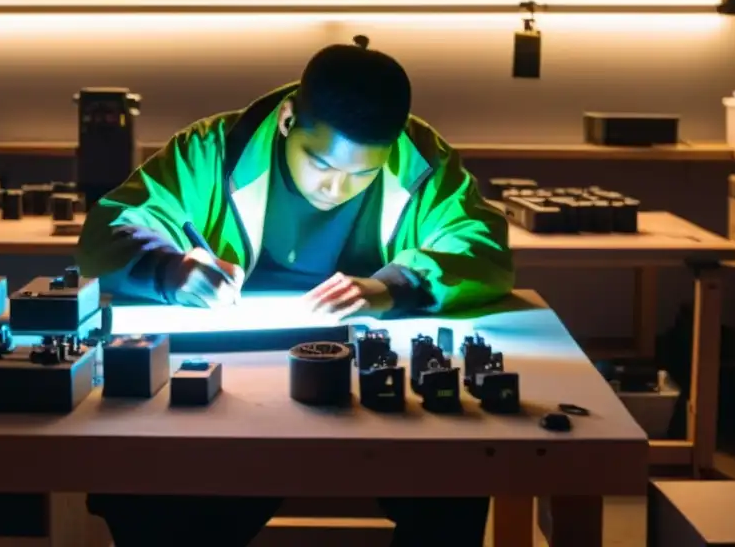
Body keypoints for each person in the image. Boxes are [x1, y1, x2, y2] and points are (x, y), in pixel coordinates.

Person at [76, 38, 514, 547]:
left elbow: (483, 248)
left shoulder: (421, 161)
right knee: (157, 490)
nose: (335, 189)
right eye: (322, 165)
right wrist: (172, 270)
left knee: (454, 478)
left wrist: (390, 286)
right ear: (288, 120)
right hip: (234, 378)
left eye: (362, 174)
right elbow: (109, 231)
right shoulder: (214, 149)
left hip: (367, 379)